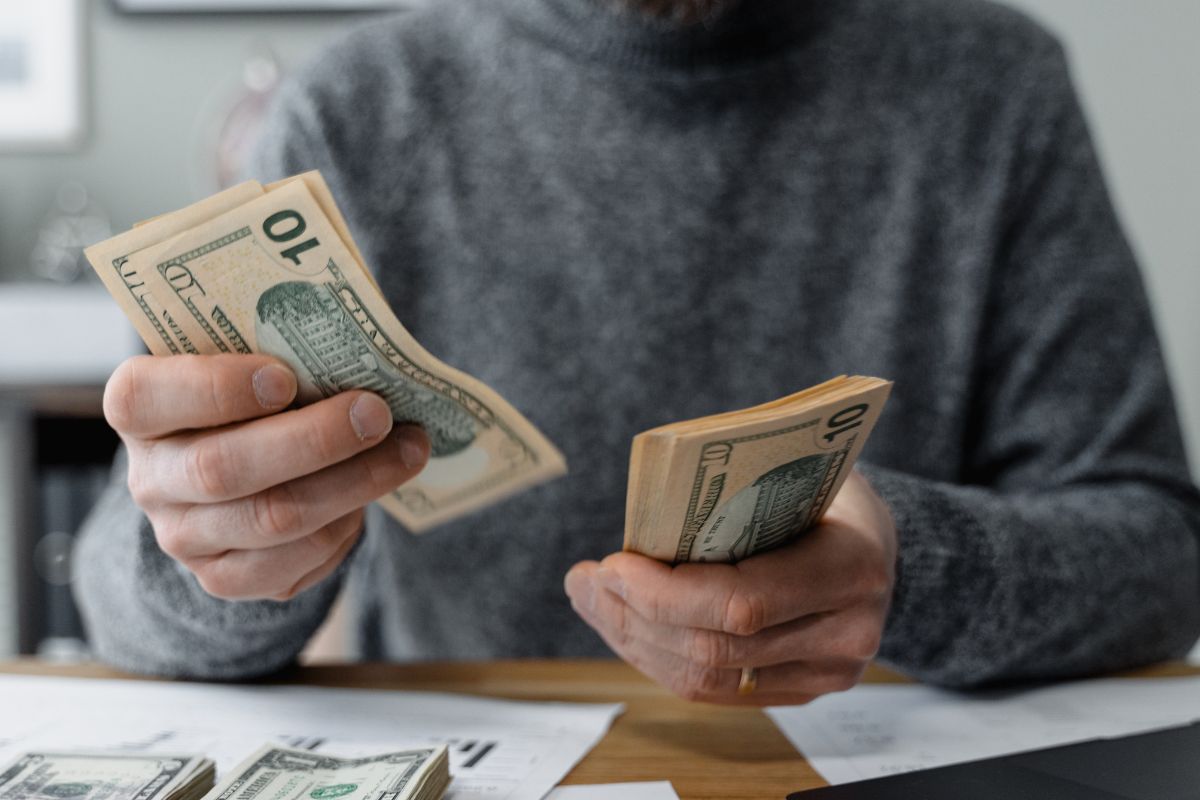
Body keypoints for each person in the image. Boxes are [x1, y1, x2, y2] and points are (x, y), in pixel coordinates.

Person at [75, 0, 1200, 704]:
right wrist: (225, 551)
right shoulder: (352, 112)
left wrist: (913, 568)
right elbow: (120, 589)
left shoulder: (993, 89)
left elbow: (1160, 553)